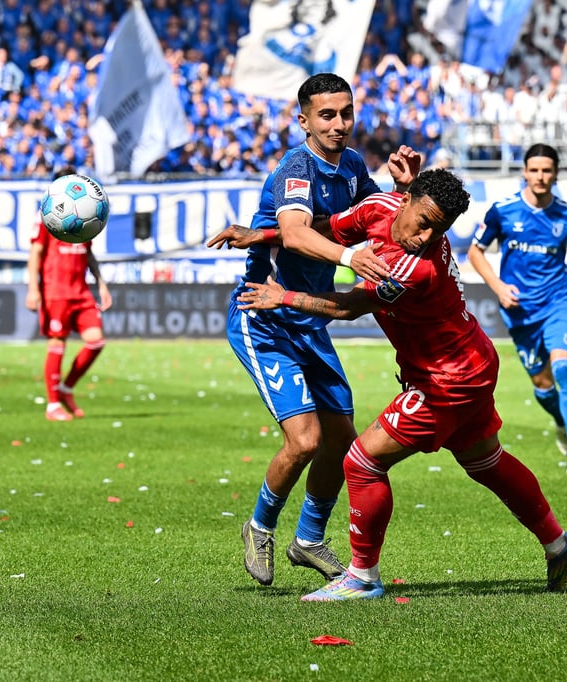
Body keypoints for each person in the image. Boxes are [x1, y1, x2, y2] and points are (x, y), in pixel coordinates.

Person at [236, 168, 567, 600]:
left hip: (448, 379)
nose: (425, 237)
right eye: (423, 222)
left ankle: (362, 578)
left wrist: (284, 297)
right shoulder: (378, 206)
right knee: (487, 461)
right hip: (470, 362)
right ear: (404, 200)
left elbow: (348, 307)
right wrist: (266, 235)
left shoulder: (412, 268)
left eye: (438, 231)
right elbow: (327, 230)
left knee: (361, 461)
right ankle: (558, 546)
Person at [206, 72, 420, 587]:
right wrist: (349, 257)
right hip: (265, 317)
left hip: (309, 318)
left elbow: (378, 218)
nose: (339, 123)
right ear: (303, 120)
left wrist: (402, 190)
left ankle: (308, 538)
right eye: (327, 115)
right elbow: (298, 234)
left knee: (341, 439)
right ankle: (259, 526)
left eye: (346, 113)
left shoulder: (351, 165)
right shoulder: (296, 168)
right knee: (304, 441)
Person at [467, 143, 567, 476]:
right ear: (525, 172)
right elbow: (475, 252)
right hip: (520, 312)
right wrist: (498, 287)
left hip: (558, 303)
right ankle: (561, 419)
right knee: (543, 388)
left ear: (556, 174)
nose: (541, 176)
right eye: (535, 170)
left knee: (564, 369)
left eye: (547, 170)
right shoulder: (503, 211)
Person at [25, 169, 112, 421]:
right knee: (57, 343)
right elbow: (36, 253)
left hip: (81, 290)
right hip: (55, 290)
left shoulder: (86, 211)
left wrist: (101, 283)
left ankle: (66, 388)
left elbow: (88, 253)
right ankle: (53, 405)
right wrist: (33, 288)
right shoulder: (46, 215)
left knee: (96, 341)